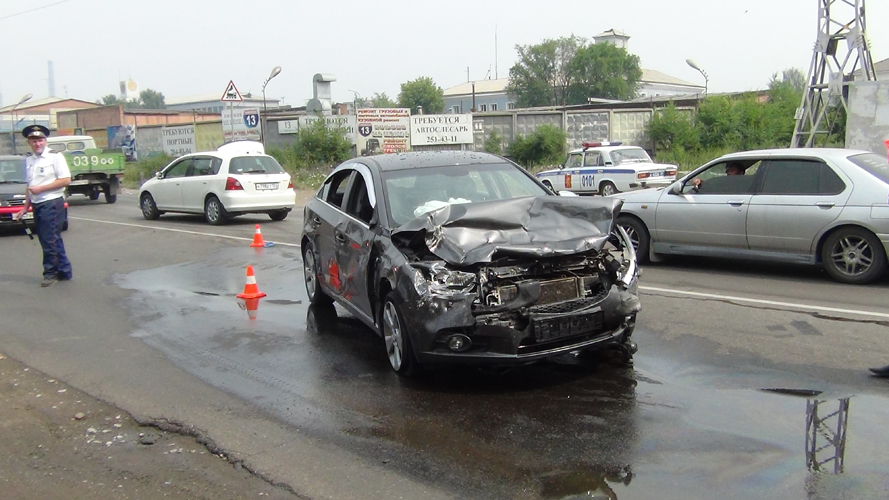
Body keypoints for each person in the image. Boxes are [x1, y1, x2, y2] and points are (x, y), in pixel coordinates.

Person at [13, 125, 73, 287]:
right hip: (37, 203)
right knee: (52, 238)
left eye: (40, 140)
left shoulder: (55, 156)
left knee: (49, 239)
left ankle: (50, 273)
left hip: (51, 202)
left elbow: (66, 180)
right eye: (34, 141)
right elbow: (30, 186)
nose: (37, 144)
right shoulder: (29, 160)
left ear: (45, 141)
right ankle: (64, 271)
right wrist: (25, 208)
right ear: (29, 142)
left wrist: (42, 189)